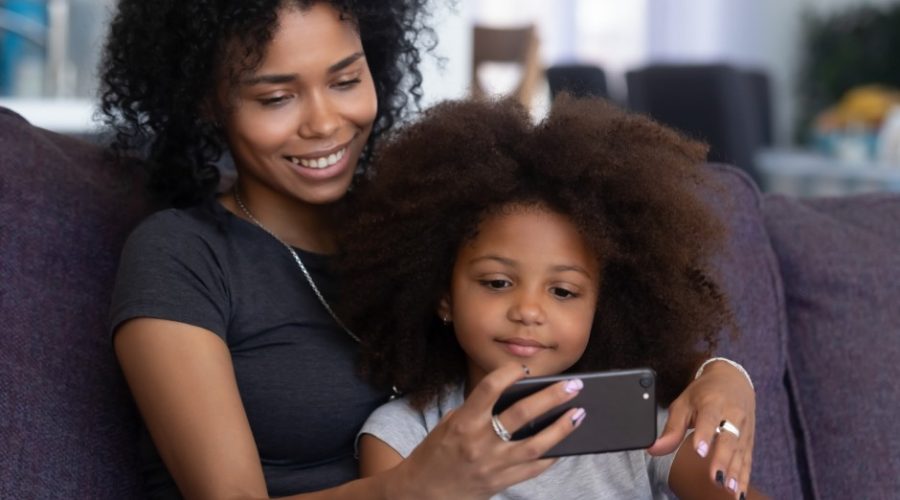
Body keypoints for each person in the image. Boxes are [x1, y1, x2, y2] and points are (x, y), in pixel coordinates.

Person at [99, 0, 756, 498]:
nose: (325, 122)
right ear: (207, 102)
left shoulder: (419, 223)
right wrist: (416, 485)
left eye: (346, 80)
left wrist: (721, 377)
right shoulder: (181, 256)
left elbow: (589, 328)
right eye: (276, 96)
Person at [339, 96, 761, 499]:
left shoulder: (637, 422)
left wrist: (726, 388)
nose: (528, 311)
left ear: (603, 308)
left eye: (563, 291)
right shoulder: (401, 437)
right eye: (497, 282)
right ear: (443, 296)